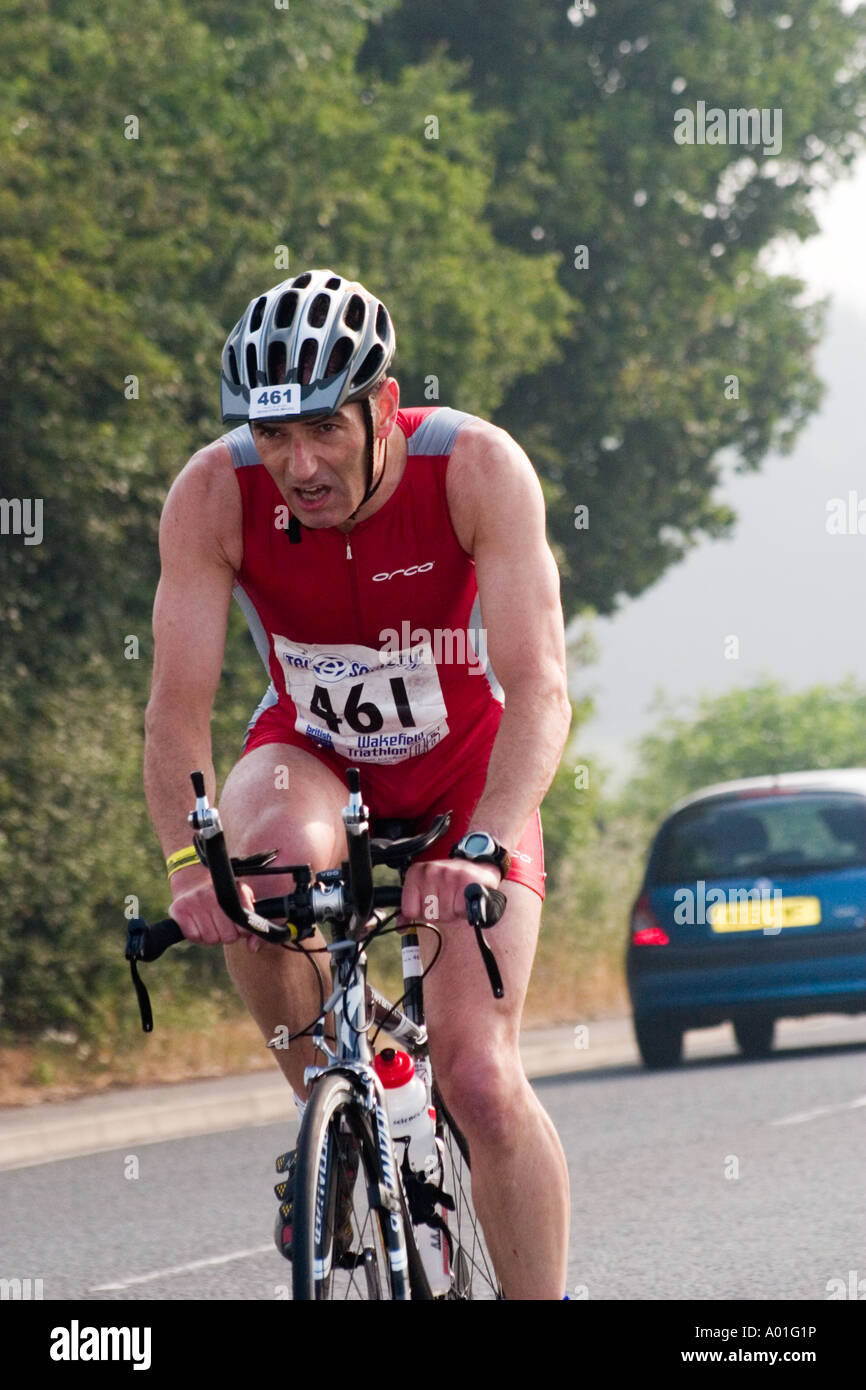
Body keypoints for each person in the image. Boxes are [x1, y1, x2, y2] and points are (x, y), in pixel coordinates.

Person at [143, 268, 572, 1299]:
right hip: (309, 755)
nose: (298, 465)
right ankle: (330, 1115)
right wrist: (183, 867)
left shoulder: (473, 466)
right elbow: (176, 711)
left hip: (467, 777)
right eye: (273, 435)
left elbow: (539, 687)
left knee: (477, 1079)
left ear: (383, 407)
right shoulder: (212, 491)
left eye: (326, 430)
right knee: (255, 866)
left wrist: (480, 842)